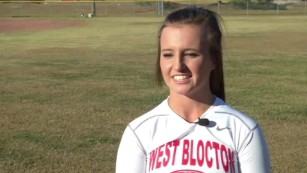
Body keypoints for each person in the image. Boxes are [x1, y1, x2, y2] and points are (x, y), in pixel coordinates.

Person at [116, 7, 271, 173]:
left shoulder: (243, 130)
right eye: (168, 54)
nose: (177, 66)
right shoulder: (140, 131)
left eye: (190, 54)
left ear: (214, 60)